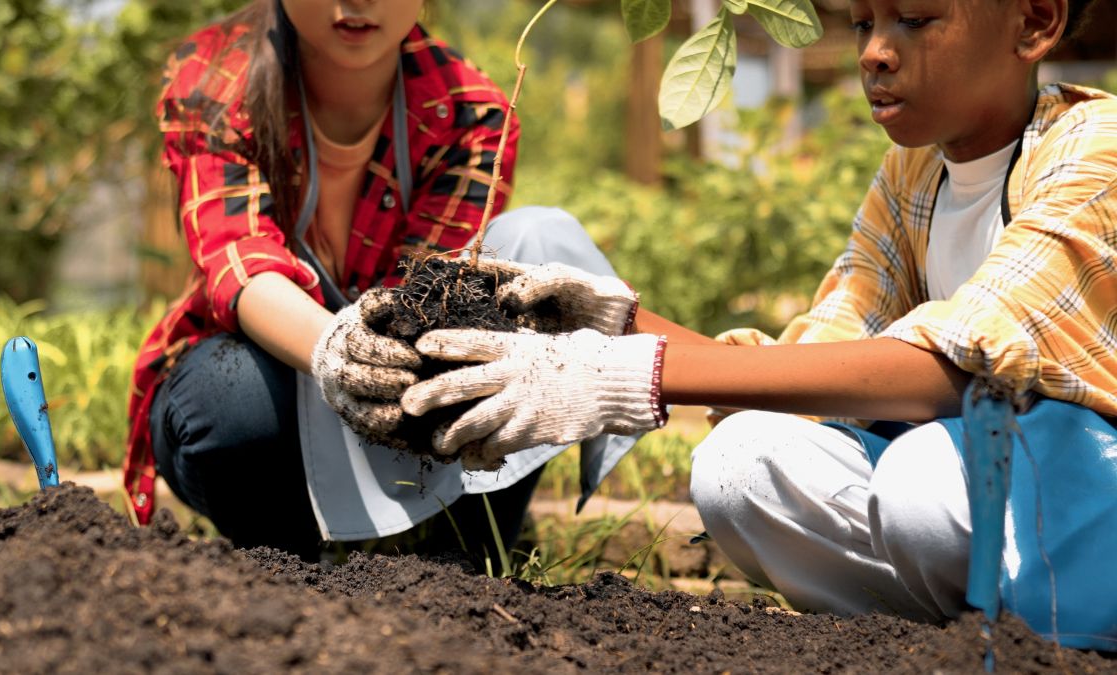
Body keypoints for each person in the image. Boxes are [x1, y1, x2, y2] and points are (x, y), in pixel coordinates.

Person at [377, 0, 1117, 650]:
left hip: (1083, 492)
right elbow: (819, 368)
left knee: (919, 479)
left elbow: (951, 369)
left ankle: (1048, 629)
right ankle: (933, 641)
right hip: (986, 504)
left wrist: (627, 378)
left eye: (914, 20)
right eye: (863, 22)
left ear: (1035, 22)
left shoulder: (1094, 149)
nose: (872, 51)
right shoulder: (914, 178)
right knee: (739, 464)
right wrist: (609, 322)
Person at [123, 0, 640, 562]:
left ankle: (465, 558)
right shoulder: (216, 77)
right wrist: (331, 349)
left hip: (405, 396)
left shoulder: (468, 112)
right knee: (231, 395)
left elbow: (426, 299)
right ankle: (280, 564)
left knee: (538, 241)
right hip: (272, 386)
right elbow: (241, 263)